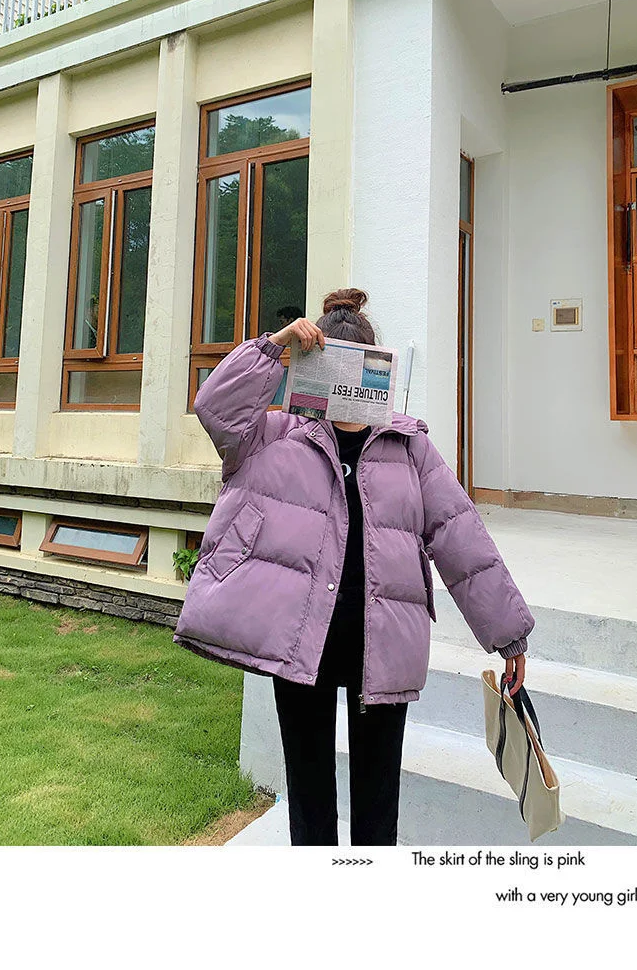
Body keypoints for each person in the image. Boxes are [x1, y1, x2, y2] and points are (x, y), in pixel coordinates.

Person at [173, 288, 534, 847]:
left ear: (376, 370)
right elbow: (214, 406)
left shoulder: (409, 447)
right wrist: (273, 348)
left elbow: (461, 538)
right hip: (300, 646)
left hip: (382, 647)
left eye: (357, 366)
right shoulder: (271, 436)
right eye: (328, 363)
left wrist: (508, 634)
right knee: (310, 799)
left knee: (377, 805)